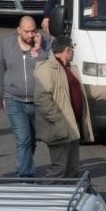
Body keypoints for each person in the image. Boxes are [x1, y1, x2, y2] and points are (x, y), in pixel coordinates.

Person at [0, 16, 48, 178]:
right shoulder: (7, 45)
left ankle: (23, 164)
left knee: (32, 140)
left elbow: (44, 67)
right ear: (19, 30)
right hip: (14, 100)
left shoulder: (43, 45)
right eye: (27, 31)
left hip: (36, 101)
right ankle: (26, 177)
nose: (31, 35)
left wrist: (38, 49)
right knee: (23, 139)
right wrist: (3, 96)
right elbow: (2, 70)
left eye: (33, 31)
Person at [34, 36, 83, 178]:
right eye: (72, 50)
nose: (73, 53)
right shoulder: (46, 68)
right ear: (67, 50)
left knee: (72, 170)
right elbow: (42, 98)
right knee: (59, 169)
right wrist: (59, 120)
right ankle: (45, 198)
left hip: (73, 128)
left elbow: (83, 90)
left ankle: (67, 199)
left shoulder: (70, 68)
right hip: (61, 128)